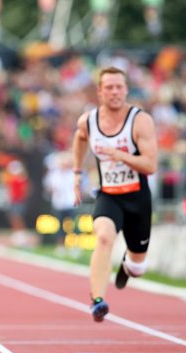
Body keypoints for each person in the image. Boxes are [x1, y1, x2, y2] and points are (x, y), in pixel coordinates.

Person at [72, 66, 157, 322]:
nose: (115, 92)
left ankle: (128, 264)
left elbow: (150, 165)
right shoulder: (88, 121)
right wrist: (77, 173)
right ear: (100, 91)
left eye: (119, 86)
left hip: (137, 198)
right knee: (104, 237)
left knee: (138, 268)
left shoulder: (139, 120)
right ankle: (98, 300)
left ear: (126, 89)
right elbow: (80, 138)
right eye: (109, 87)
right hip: (108, 196)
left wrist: (120, 155)